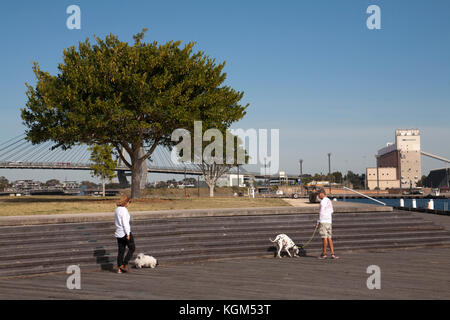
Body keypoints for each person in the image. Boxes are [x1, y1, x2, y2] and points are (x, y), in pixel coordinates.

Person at [114, 195, 135, 273]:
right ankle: (125, 264)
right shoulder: (124, 210)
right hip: (125, 233)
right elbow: (125, 223)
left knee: (121, 251)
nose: (129, 204)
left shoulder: (117, 209)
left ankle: (119, 268)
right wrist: (128, 233)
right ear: (125, 202)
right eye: (129, 202)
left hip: (118, 233)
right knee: (132, 248)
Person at [316, 189, 339, 259]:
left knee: (324, 238)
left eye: (319, 194)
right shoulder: (329, 200)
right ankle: (332, 254)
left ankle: (324, 254)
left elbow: (321, 212)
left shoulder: (322, 202)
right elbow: (332, 211)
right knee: (329, 238)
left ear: (322, 193)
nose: (318, 195)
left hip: (323, 221)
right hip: (329, 221)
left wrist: (318, 222)